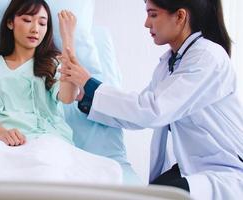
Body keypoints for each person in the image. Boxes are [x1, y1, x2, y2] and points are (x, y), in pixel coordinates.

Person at [59, 0, 243, 199]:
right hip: (191, 169)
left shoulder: (208, 56)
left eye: (153, 14)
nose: (146, 23)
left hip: (225, 171)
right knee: (145, 195)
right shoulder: (169, 63)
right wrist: (84, 96)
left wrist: (89, 82)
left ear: (180, 16)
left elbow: (153, 111)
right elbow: (137, 115)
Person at [0, 0, 79, 147]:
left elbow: (68, 97)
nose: (35, 29)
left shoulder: (53, 65)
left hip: (45, 138)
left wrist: (68, 40)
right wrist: (1, 133)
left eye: (42, 23)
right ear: (10, 23)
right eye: (27, 20)